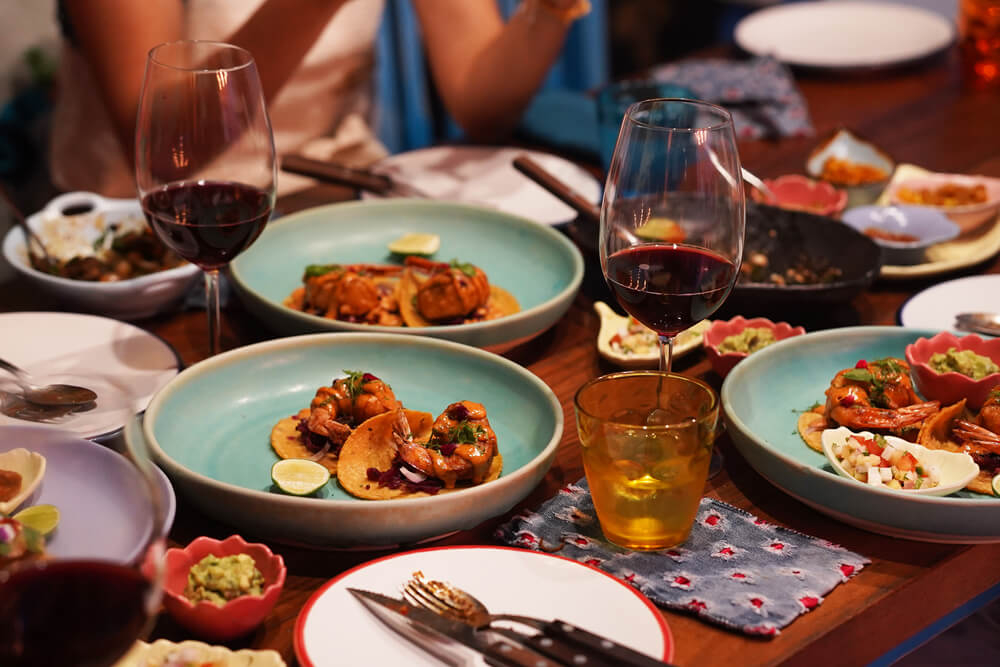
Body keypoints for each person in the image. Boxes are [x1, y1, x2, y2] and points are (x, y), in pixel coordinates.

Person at [51, 0, 592, 197]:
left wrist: (549, 8)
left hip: (331, 192)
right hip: (156, 234)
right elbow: (167, 150)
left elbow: (481, 106)